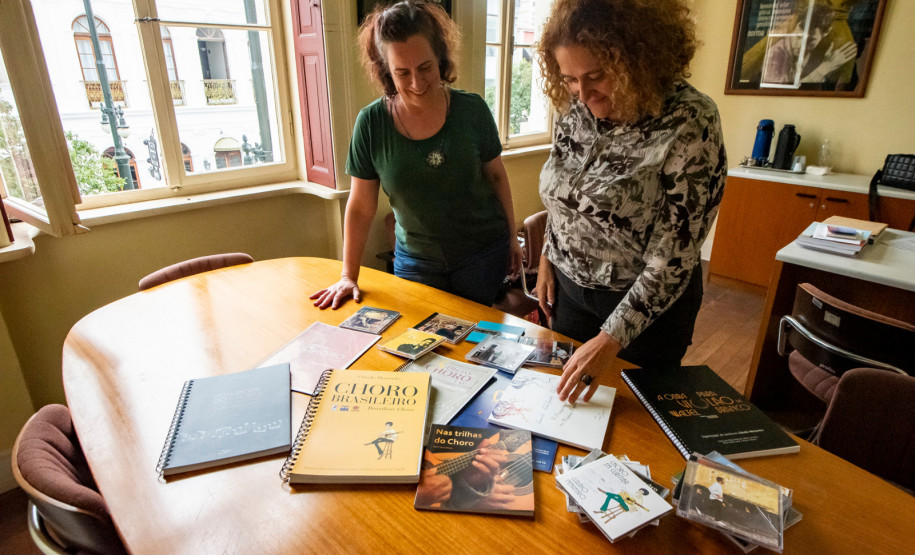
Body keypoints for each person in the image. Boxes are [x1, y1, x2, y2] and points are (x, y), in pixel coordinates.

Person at [534, 0, 727, 404]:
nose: (582, 93)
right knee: (567, 411)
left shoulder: (689, 120)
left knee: (635, 427)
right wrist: (547, 260)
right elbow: (564, 195)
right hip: (569, 294)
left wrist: (610, 339)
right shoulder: (574, 108)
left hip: (644, 314)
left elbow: (675, 254)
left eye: (596, 76)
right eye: (569, 78)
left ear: (635, 61)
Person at [310, 0, 522, 310]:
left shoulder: (473, 109)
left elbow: (496, 176)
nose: (416, 83)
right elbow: (360, 206)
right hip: (416, 263)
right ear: (385, 71)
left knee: (473, 349)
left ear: (441, 58)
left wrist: (513, 238)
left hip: (482, 255)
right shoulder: (370, 123)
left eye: (425, 68)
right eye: (402, 72)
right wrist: (348, 275)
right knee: (419, 348)